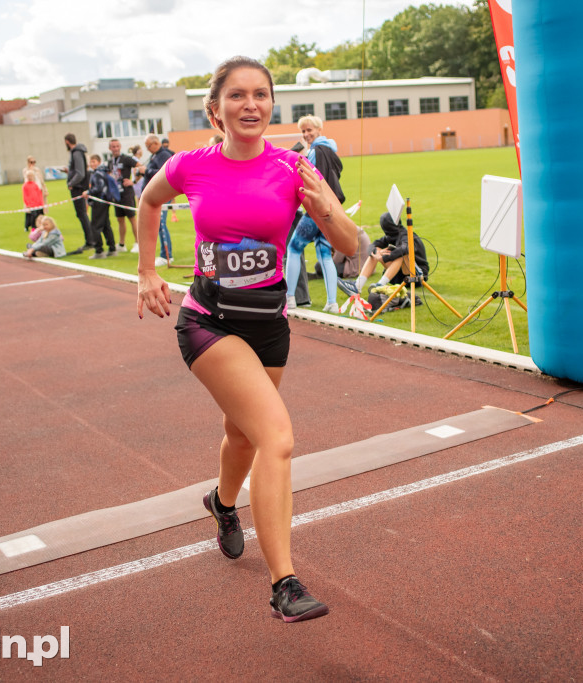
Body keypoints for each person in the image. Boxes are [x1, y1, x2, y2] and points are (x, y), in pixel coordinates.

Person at [136, 55, 357, 623]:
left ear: (272, 105)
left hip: (269, 324)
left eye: (261, 94)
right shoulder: (189, 166)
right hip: (208, 321)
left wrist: (327, 210)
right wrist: (146, 271)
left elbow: (351, 245)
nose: (251, 104)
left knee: (242, 435)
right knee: (276, 438)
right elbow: (148, 201)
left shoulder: (293, 167)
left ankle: (221, 503)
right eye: (237, 95)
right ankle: (284, 582)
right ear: (216, 110)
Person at [284, 115, 346, 313]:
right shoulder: (331, 150)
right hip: (330, 212)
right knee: (324, 254)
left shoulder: (315, 153)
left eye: (309, 130)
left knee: (294, 248)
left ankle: (291, 298)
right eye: (303, 131)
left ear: (319, 129)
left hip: (316, 211)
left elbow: (310, 182)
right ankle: (332, 303)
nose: (306, 134)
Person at [337, 211, 429, 298]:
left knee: (402, 253)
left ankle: (380, 285)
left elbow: (405, 249)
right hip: (401, 277)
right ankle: (357, 285)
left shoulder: (406, 236)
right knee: (376, 251)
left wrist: (385, 258)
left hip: (417, 276)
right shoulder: (392, 235)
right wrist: (377, 254)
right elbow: (372, 245)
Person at [136, 133, 173, 266]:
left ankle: (166, 255)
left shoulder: (163, 155)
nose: (147, 149)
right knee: (158, 225)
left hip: (161, 195)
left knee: (161, 224)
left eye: (148, 146)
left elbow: (164, 174)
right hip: (155, 196)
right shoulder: (155, 155)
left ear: (155, 143)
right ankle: (164, 254)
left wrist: (146, 171)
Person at [62, 133, 94, 254]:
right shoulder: (77, 153)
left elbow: (80, 173)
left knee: (82, 214)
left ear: (67, 142)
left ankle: (91, 241)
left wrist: (71, 183)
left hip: (78, 188)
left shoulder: (76, 153)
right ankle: (91, 240)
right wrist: (69, 171)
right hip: (78, 186)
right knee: (81, 214)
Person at [107, 138, 138, 252]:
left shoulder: (126, 159)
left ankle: (137, 243)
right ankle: (121, 244)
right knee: (120, 219)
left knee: (132, 218)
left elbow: (140, 167)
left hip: (127, 193)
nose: (115, 148)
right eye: (113, 146)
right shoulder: (110, 161)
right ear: (110, 148)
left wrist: (133, 181)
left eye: (117, 146)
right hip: (117, 194)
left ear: (120, 147)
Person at [86, 154, 118, 259]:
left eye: (94, 161)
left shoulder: (97, 174)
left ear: (99, 162)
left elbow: (99, 188)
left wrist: (88, 192)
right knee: (105, 225)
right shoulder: (102, 172)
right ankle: (112, 248)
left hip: (99, 202)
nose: (92, 164)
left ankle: (99, 251)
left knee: (95, 226)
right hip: (105, 202)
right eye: (91, 162)